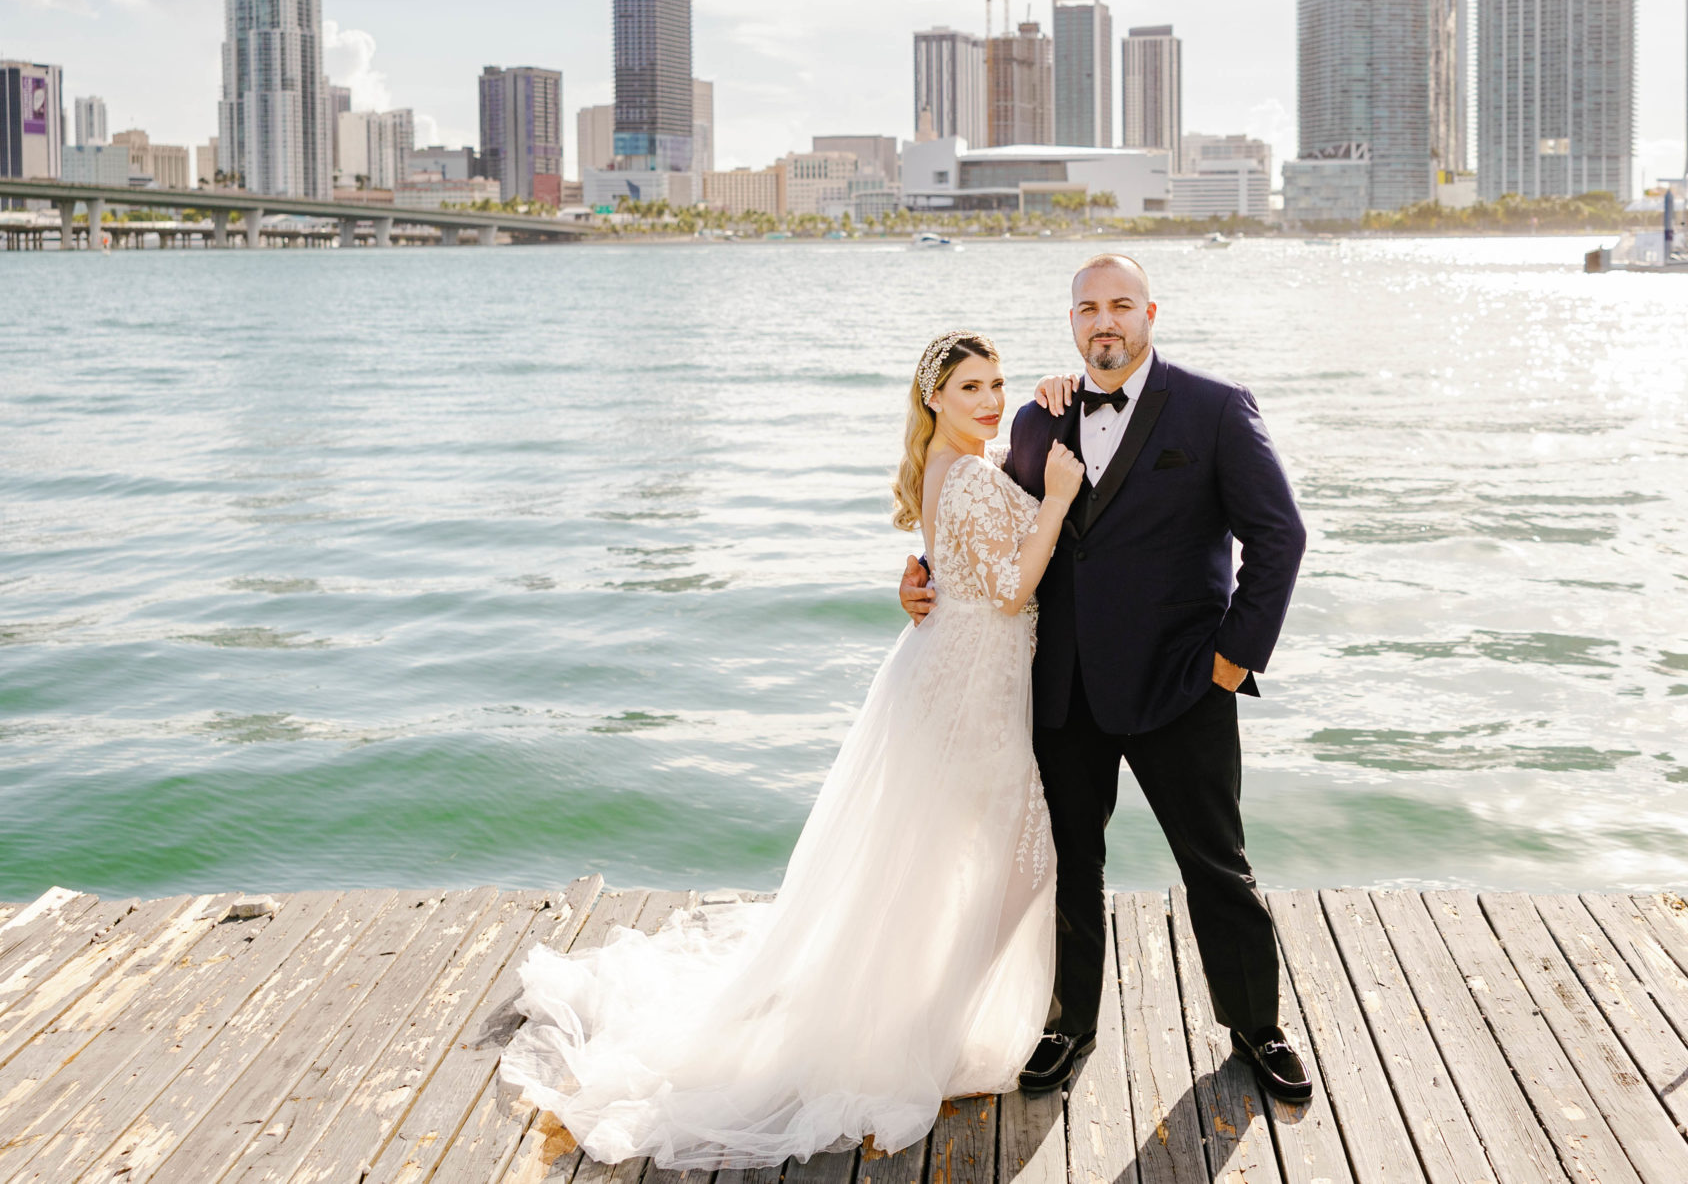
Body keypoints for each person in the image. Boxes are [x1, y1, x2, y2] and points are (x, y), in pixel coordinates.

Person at [500, 332, 1086, 1168]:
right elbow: (1009, 588)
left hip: (963, 680)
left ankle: (919, 1015)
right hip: (965, 693)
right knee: (1014, 866)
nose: (990, 402)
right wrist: (1058, 496)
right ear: (934, 400)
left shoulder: (953, 469)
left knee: (951, 865)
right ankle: (928, 1032)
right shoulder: (962, 474)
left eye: (995, 384)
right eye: (969, 389)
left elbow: (956, 570)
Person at [898, 253, 1312, 1102]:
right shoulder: (1034, 419)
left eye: (1121, 304)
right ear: (1072, 322)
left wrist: (1233, 660)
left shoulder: (1215, 407)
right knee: (1066, 865)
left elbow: (1281, 538)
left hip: (1181, 687)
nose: (1104, 321)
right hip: (1062, 690)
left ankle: (1256, 1028)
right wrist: (920, 574)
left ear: (1150, 312)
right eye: (1088, 308)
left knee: (1216, 866)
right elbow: (995, 539)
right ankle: (1067, 1023)